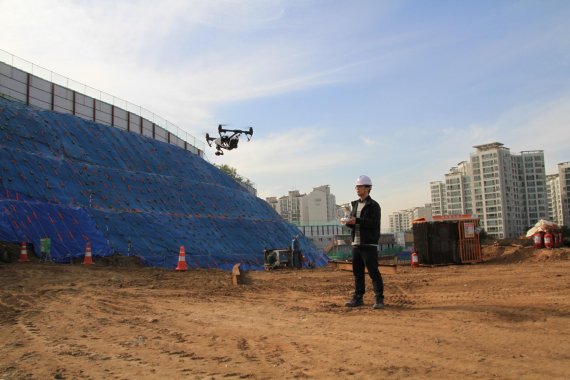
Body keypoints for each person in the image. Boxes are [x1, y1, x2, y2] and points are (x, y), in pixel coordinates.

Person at [342, 175, 384, 309]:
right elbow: (355, 223)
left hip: (368, 244)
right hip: (356, 243)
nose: (357, 189)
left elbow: (374, 223)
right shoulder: (354, 205)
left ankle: (379, 299)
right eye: (356, 186)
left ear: (368, 188)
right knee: (357, 273)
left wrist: (357, 221)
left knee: (373, 272)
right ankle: (358, 297)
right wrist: (348, 223)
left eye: (360, 186)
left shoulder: (374, 206)